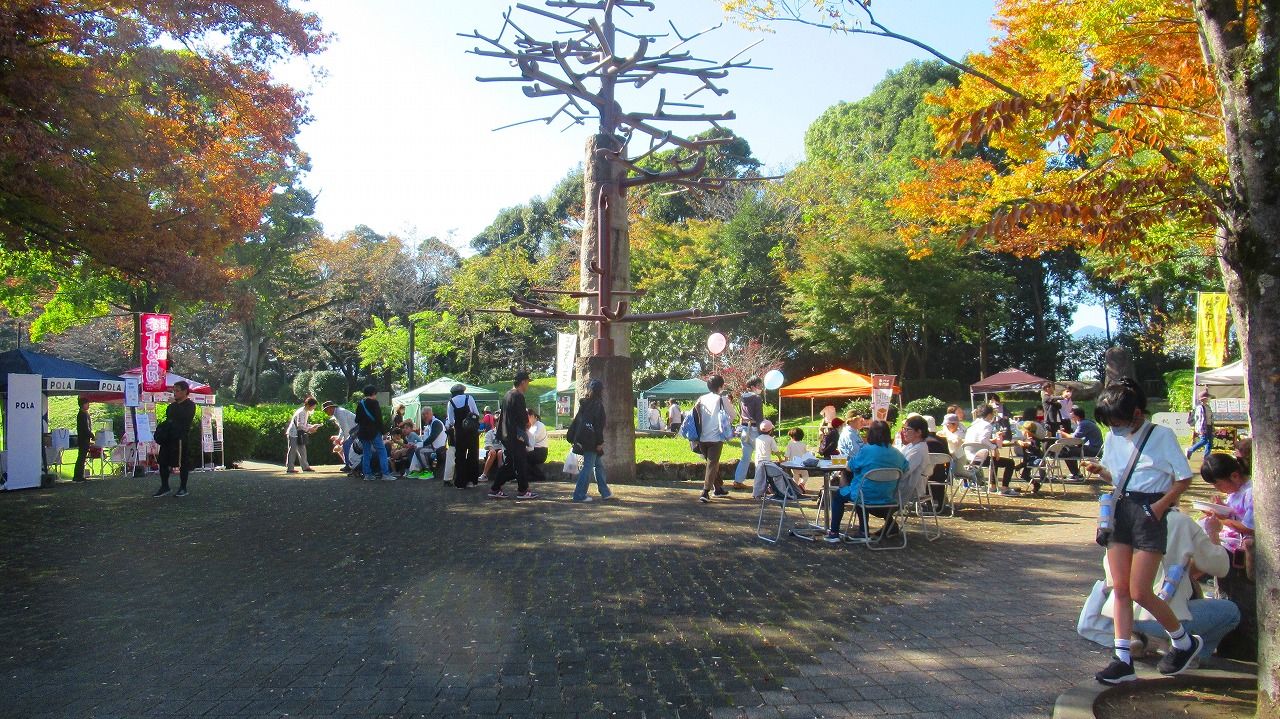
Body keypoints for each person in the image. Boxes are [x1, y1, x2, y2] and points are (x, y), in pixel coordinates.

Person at [1087, 377, 1199, 684]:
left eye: (1118, 422)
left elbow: (1184, 478)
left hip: (1150, 512)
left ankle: (1183, 641)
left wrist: (1160, 507)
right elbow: (1119, 478)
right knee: (1120, 589)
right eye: (1110, 424)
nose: (1115, 428)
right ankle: (1122, 659)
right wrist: (1101, 471)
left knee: (1140, 591)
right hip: (1121, 509)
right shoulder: (1113, 438)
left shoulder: (1161, 435)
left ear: (1137, 413)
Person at [1081, 510, 1238, 663]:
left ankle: (1135, 638)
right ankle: (1191, 654)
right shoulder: (1181, 521)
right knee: (1231, 611)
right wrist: (1212, 533)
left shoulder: (1121, 517)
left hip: (1119, 613)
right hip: (1159, 616)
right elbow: (1219, 567)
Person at [1198, 453, 1256, 661]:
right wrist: (1221, 509)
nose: (1218, 488)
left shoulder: (1251, 493)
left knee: (1239, 600)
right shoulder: (1236, 492)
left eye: (1219, 484)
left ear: (1235, 476)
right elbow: (1236, 515)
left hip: (1238, 552)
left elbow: (1250, 528)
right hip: (1227, 546)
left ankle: (1240, 649)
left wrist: (1222, 521)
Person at [826, 420, 907, 542]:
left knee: (840, 495)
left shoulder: (867, 451)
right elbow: (906, 467)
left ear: (871, 434)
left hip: (864, 494)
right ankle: (863, 531)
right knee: (860, 491)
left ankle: (834, 533)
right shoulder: (896, 453)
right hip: (887, 496)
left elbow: (849, 467)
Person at [491, 371, 538, 500]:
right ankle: (522, 490)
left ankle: (495, 488)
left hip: (505, 433)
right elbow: (522, 417)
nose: (528, 385)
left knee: (510, 463)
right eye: (527, 382)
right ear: (523, 382)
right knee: (520, 463)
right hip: (515, 435)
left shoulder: (508, 394)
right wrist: (527, 424)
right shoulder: (518, 396)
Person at [695, 374, 737, 503]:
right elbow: (733, 415)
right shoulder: (721, 399)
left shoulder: (701, 399)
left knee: (712, 463)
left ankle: (718, 489)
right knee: (712, 464)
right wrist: (726, 423)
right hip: (716, 438)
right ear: (720, 387)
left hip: (702, 438)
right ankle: (705, 492)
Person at [569, 379, 611, 502]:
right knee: (588, 466)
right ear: (601, 391)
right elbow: (599, 426)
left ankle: (605, 492)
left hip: (582, 437)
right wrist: (599, 443)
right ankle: (579, 494)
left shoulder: (585, 404)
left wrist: (572, 437)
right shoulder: (598, 406)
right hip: (591, 440)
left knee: (598, 464)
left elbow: (577, 421)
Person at [153, 380, 197, 497]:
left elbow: (184, 417)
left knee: (182, 462)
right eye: (174, 391)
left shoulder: (190, 405)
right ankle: (165, 486)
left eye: (177, 391)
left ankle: (183, 487)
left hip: (180, 438)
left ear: (185, 391)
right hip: (168, 437)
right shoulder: (172, 406)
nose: (175, 393)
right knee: (163, 461)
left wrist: (175, 405)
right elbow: (170, 417)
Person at [964, 404, 1017, 494]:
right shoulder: (987, 425)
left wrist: (992, 442)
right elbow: (982, 439)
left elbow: (977, 440)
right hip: (979, 459)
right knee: (1010, 462)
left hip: (969, 458)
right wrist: (994, 447)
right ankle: (1004, 488)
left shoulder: (972, 425)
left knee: (993, 460)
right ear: (989, 415)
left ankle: (993, 486)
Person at [732, 377, 765, 489]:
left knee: (745, 457)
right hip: (755, 429)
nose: (761, 387)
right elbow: (759, 417)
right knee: (760, 457)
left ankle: (738, 480)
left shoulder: (742, 398)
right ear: (752, 387)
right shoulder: (757, 398)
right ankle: (762, 483)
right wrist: (763, 432)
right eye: (759, 385)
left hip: (745, 429)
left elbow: (741, 414)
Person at [446, 383, 481, 488]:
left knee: (460, 456)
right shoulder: (469, 398)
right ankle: (472, 481)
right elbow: (476, 414)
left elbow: (451, 421)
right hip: (471, 431)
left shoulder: (451, 402)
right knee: (473, 454)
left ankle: (461, 482)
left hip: (459, 432)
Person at [898, 415, 933, 512]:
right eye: (903, 429)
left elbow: (905, 470)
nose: (904, 432)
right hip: (905, 483)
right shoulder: (911, 445)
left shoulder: (918, 449)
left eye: (907, 429)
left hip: (911, 488)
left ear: (918, 432)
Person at [354, 385, 390, 481]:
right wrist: (383, 432)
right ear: (373, 393)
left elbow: (357, 419)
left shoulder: (361, 404)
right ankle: (385, 474)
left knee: (366, 453)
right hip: (374, 432)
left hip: (363, 432)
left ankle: (367, 474)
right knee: (382, 451)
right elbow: (379, 419)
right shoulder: (375, 403)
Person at [1059, 406, 1103, 479]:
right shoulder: (1087, 422)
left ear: (1077, 417)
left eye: (1073, 418)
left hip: (1093, 450)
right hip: (1095, 448)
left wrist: (1062, 433)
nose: (1072, 420)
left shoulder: (1083, 424)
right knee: (1069, 449)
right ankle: (1076, 473)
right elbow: (1081, 440)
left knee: (1065, 451)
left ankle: (1076, 474)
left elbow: (1073, 438)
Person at [322, 400, 358, 474]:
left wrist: (344, 439)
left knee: (346, 445)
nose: (326, 413)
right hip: (354, 429)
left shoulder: (339, 413)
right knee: (347, 445)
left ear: (330, 408)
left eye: (326, 410)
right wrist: (339, 437)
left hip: (356, 428)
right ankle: (349, 464)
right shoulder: (337, 413)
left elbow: (345, 426)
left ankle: (349, 465)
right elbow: (342, 427)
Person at [285, 397, 319, 473]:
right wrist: (309, 429)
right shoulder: (302, 412)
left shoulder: (305, 411)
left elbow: (303, 424)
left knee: (302, 450)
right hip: (293, 433)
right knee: (293, 450)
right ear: (309, 405)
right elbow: (299, 425)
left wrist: (311, 426)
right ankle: (290, 468)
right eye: (313, 407)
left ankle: (305, 467)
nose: (313, 408)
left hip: (299, 433)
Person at [417, 407, 447, 475]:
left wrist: (422, 444)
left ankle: (428, 471)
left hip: (439, 449)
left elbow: (432, 438)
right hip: (433, 448)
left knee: (419, 450)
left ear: (432, 414)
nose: (425, 416)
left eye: (427, 413)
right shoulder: (429, 425)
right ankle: (416, 470)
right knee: (413, 449)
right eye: (423, 414)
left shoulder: (436, 423)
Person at [1185, 392, 1214, 460]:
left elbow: (1210, 417)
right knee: (1204, 440)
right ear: (1204, 399)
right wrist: (1202, 429)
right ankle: (1190, 450)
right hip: (1203, 427)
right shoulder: (1200, 407)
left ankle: (1206, 457)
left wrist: (1212, 426)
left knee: (1210, 443)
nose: (1208, 399)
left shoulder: (1208, 407)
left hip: (1209, 426)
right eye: (1207, 398)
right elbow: (1200, 419)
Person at [479, 413, 504, 484]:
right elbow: (487, 443)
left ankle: (501, 474)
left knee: (500, 453)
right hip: (492, 450)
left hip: (501, 450)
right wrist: (491, 448)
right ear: (495, 423)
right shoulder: (490, 433)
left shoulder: (505, 433)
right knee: (493, 453)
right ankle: (484, 474)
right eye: (498, 421)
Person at [526, 409, 549, 483]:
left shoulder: (539, 425)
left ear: (532, 416)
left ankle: (538, 475)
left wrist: (526, 431)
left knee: (523, 457)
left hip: (540, 451)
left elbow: (533, 438)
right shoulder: (531, 427)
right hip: (533, 450)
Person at [73, 396, 92, 482]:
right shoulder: (81, 415)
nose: (88, 405)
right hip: (83, 438)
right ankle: (78, 475)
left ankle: (79, 475)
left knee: (82, 457)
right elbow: (84, 428)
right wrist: (91, 435)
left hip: (85, 438)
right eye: (86, 404)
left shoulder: (85, 414)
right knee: (81, 457)